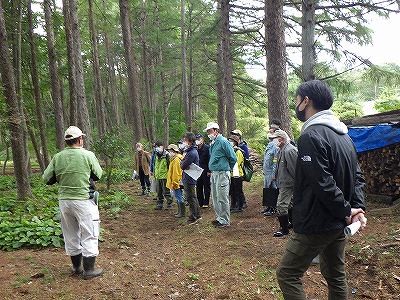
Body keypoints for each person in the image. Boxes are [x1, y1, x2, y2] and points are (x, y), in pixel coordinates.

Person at [277, 80, 367, 299]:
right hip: (338, 221)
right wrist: (356, 207)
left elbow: (322, 183)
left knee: (287, 273)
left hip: (317, 222)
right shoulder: (344, 136)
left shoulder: (310, 136)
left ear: (306, 101)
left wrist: (348, 211)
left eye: (297, 99)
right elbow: (357, 176)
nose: (295, 104)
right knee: (335, 275)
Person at [42, 126, 103, 279]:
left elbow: (46, 178)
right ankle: (89, 270)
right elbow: (98, 175)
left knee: (70, 234)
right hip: (84, 201)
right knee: (89, 233)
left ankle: (76, 267)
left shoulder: (58, 157)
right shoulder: (88, 155)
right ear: (80, 139)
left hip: (65, 201)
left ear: (67, 141)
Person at [205, 122, 237, 228]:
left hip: (222, 173)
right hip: (214, 173)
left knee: (222, 197)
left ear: (216, 130)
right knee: (215, 197)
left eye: (210, 131)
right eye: (208, 131)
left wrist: (227, 168)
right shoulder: (213, 143)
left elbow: (233, 157)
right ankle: (219, 218)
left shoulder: (223, 142)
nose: (208, 133)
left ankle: (225, 220)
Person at [271, 129, 298, 238]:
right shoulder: (282, 149)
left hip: (288, 183)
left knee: (281, 205)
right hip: (283, 182)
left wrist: (297, 184)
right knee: (290, 204)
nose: (273, 141)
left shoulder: (289, 150)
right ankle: (291, 223)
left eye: (274, 139)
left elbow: (295, 169)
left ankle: (284, 229)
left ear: (281, 139)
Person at [180, 132, 202, 224]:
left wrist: (182, 162)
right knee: (193, 197)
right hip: (189, 177)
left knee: (190, 197)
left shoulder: (191, 153)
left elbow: (183, 165)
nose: (183, 142)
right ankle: (197, 215)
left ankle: (193, 216)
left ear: (189, 141)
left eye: (185, 140)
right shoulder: (190, 151)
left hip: (190, 178)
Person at [261, 132, 279, 216]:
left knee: (272, 190)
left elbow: (275, 161)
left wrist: (274, 173)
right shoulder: (268, 147)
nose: (270, 140)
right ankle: (268, 207)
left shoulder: (275, 148)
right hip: (266, 172)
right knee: (267, 190)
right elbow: (266, 160)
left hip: (271, 173)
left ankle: (273, 209)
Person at [166, 144, 184, 218]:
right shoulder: (174, 159)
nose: (169, 152)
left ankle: (182, 213)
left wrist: (175, 183)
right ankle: (180, 211)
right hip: (175, 181)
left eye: (170, 151)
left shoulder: (176, 159)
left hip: (176, 182)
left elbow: (176, 173)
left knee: (179, 197)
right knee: (178, 196)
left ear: (174, 151)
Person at [228, 134, 245, 213]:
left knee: (238, 191)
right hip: (232, 174)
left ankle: (240, 206)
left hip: (238, 174)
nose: (230, 142)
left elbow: (236, 163)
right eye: (229, 140)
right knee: (232, 191)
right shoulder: (231, 151)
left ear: (235, 142)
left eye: (232, 141)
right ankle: (233, 205)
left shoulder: (238, 152)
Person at [153, 141, 173, 210]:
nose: (156, 148)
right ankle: (159, 204)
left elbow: (169, 166)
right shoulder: (156, 154)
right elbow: (155, 165)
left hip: (165, 176)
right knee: (159, 191)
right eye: (155, 147)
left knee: (166, 191)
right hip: (158, 176)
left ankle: (169, 203)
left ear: (162, 146)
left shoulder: (167, 155)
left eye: (158, 146)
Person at [195, 134, 211, 208]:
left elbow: (209, 159)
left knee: (206, 186)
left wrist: (209, 170)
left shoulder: (207, 148)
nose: (198, 141)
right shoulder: (195, 148)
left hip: (205, 169)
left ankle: (206, 202)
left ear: (203, 140)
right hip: (197, 169)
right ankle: (200, 202)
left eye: (199, 139)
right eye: (197, 139)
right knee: (198, 186)